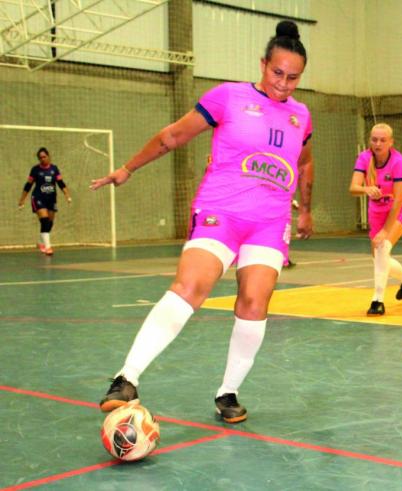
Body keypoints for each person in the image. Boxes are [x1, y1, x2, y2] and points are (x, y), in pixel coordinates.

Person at [89, 20, 314, 424]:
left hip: (268, 222)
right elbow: (173, 136)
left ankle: (228, 393)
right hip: (221, 210)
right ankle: (126, 378)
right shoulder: (228, 97)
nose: (283, 83)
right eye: (277, 72)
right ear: (263, 64)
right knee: (191, 286)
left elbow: (304, 159)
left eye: (293, 77)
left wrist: (307, 206)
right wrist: (127, 168)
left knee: (254, 303)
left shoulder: (302, 115)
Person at [349, 123, 402, 316]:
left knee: (382, 248)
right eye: (374, 139)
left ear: (391, 142)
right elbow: (353, 187)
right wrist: (365, 189)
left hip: (401, 207)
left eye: (382, 140)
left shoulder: (398, 161)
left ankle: (377, 300)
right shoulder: (364, 158)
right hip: (377, 211)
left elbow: (398, 200)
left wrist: (386, 231)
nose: (377, 143)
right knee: (380, 257)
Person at [17, 147, 73, 255]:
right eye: (40, 158)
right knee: (44, 220)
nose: (42, 159)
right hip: (38, 198)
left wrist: (67, 195)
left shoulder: (54, 169)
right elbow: (28, 185)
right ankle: (48, 247)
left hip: (51, 199)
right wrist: (22, 199)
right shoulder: (35, 170)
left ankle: (40, 241)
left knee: (50, 223)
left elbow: (61, 183)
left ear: (48, 156)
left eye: (44, 156)